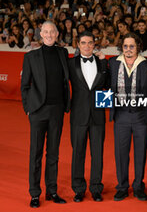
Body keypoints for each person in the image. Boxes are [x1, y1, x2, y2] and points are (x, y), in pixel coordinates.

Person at [21, 21, 70, 208]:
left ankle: (52, 190)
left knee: (54, 153)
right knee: (36, 153)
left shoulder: (63, 53)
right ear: (41, 34)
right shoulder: (31, 57)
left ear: (57, 34)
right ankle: (34, 193)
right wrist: (28, 108)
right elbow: (24, 86)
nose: (49, 34)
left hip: (57, 110)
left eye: (52, 32)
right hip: (38, 111)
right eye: (46, 32)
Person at [109, 33, 147, 201]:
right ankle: (122, 186)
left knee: (140, 152)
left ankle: (138, 186)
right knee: (121, 153)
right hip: (121, 115)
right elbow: (104, 85)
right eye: (125, 46)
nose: (128, 49)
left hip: (142, 116)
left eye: (132, 46)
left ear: (138, 47)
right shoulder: (112, 63)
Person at [67, 31, 109, 202]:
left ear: (94, 44)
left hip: (98, 114)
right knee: (78, 152)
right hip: (78, 114)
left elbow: (107, 86)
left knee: (97, 153)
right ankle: (78, 188)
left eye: (90, 43)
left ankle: (96, 187)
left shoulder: (102, 63)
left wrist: (104, 63)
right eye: (83, 43)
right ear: (78, 44)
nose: (87, 46)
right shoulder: (70, 63)